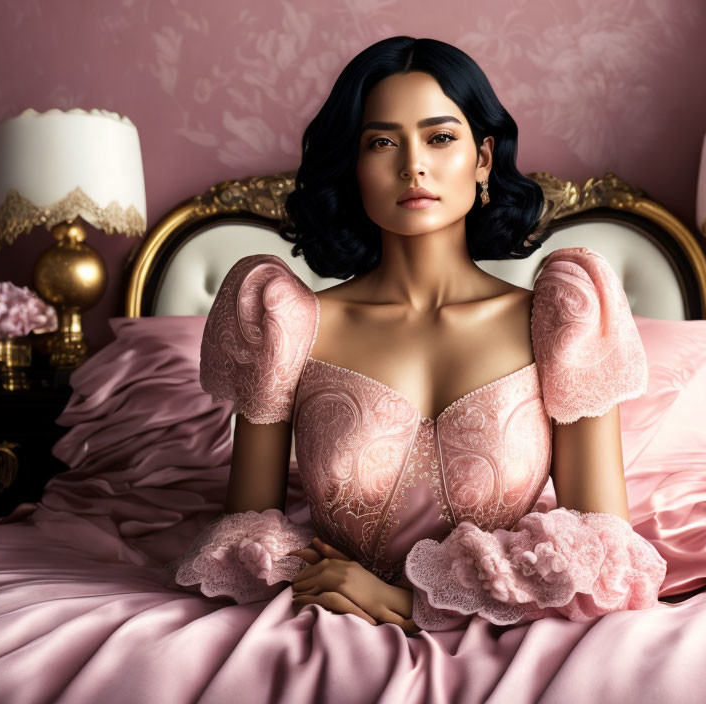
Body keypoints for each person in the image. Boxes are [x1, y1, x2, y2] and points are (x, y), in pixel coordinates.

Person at [169, 36, 666, 635]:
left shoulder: (562, 317)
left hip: (507, 632)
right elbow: (245, 534)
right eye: (382, 142)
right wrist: (310, 577)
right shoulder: (287, 321)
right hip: (330, 624)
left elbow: (604, 550)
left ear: (482, 159)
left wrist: (406, 603)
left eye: (439, 137)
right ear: (353, 166)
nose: (413, 165)